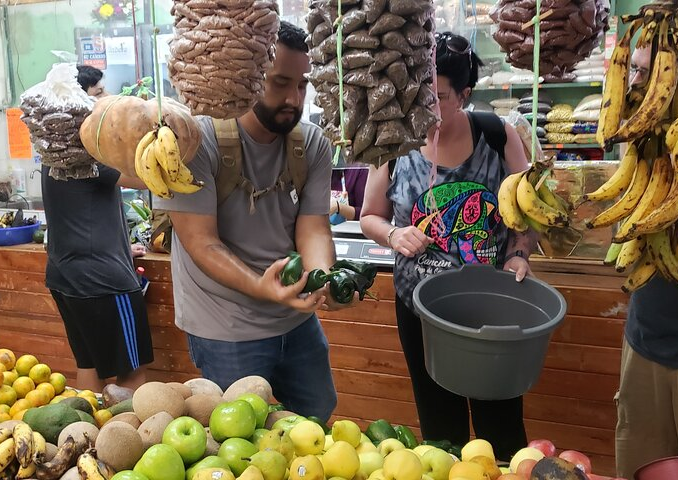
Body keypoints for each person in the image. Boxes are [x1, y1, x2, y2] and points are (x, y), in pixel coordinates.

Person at [157, 21, 352, 421]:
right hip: (224, 324)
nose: (294, 99)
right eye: (280, 82)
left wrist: (322, 277)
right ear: (250, 75)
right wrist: (261, 288)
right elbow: (201, 243)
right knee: (239, 434)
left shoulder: (311, 143)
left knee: (317, 413)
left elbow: (313, 226)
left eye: (302, 85)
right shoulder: (196, 139)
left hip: (295, 318)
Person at [360, 32, 536, 461]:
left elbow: (530, 211)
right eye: (420, 94)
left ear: (464, 95)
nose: (426, 107)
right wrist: (394, 234)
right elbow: (369, 215)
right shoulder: (395, 141)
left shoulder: (498, 136)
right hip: (420, 309)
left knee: (501, 423)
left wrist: (518, 253)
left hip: (488, 309)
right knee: (441, 428)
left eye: (438, 96)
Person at [42, 66, 152, 391]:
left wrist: (120, 246)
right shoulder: (88, 152)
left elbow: (80, 210)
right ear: (80, 102)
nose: (106, 98)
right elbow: (147, 179)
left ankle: (84, 439)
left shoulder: (56, 151)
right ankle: (121, 440)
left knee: (89, 364)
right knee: (132, 372)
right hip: (104, 281)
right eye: (99, 93)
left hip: (65, 275)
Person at [615, 41, 678, 478]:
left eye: (654, 74)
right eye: (637, 72)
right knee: (639, 468)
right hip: (644, 344)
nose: (640, 86)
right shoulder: (645, 153)